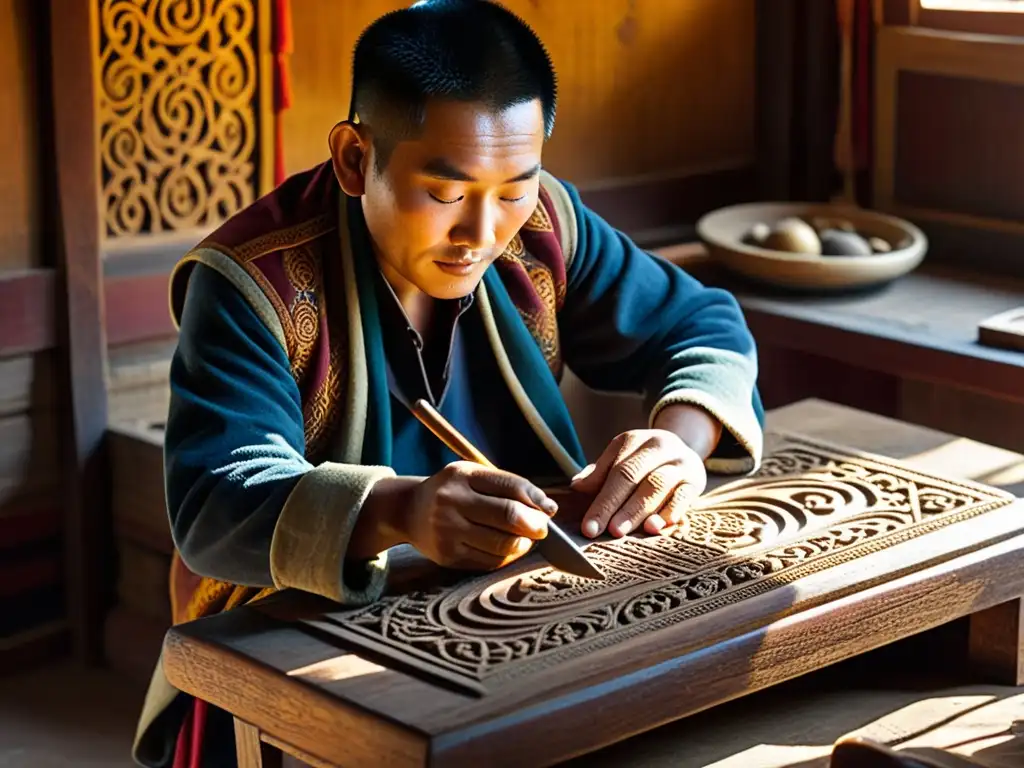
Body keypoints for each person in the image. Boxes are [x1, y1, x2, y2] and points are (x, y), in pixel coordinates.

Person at [132, 0, 764, 764]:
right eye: (445, 193)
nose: (482, 234)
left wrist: (677, 443)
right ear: (354, 158)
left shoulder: (544, 226)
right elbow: (214, 500)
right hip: (310, 625)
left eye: (512, 189)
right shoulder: (253, 283)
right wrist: (402, 510)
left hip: (519, 594)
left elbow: (698, 324)